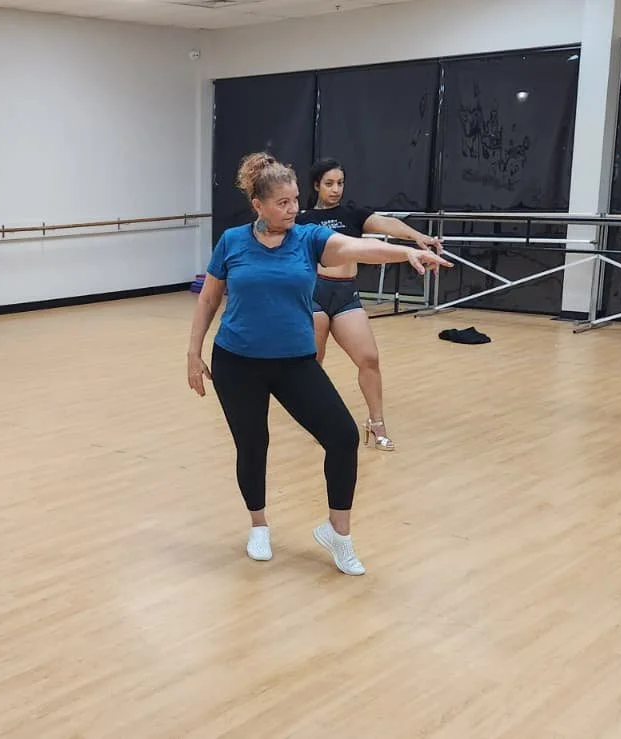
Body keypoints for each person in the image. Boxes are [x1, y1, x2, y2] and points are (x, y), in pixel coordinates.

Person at [187, 152, 451, 575]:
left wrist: (405, 253)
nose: (293, 209)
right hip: (237, 361)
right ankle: (259, 526)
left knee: (343, 436)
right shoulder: (233, 242)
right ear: (258, 205)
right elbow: (208, 299)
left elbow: (356, 246)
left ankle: (337, 533)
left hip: (294, 361)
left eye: (295, 200)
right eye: (282, 203)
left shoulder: (308, 238)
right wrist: (193, 353)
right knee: (252, 445)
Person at [295, 158, 444, 451]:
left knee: (369, 358)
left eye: (340, 183)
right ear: (316, 185)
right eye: (329, 183)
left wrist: (418, 237)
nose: (335, 189)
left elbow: (388, 224)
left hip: (346, 294)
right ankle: (317, 419)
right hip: (315, 293)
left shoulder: (352, 214)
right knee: (313, 362)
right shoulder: (304, 220)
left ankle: (377, 423)